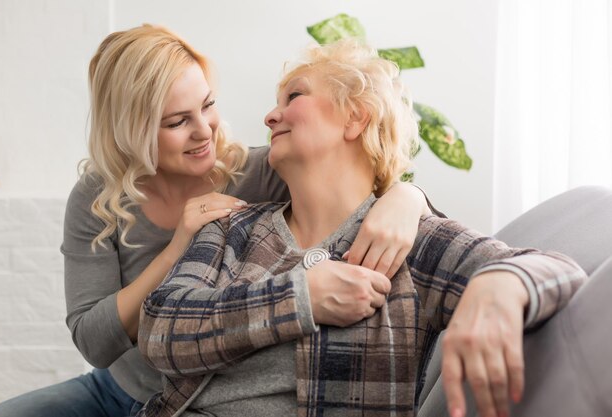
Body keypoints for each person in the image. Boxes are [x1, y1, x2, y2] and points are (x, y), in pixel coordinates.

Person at [0, 26, 433, 417]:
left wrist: (406, 196)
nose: (206, 131)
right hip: (117, 391)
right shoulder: (97, 199)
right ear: (132, 131)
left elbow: (352, 190)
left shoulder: (258, 173)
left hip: (198, 394)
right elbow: (93, 343)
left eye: (208, 104)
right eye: (178, 121)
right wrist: (179, 246)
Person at [136, 40, 587, 417]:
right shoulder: (233, 226)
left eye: (293, 97)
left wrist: (501, 284)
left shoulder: (415, 246)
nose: (270, 117)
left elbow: (560, 270)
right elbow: (159, 330)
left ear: (356, 117)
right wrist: (300, 298)